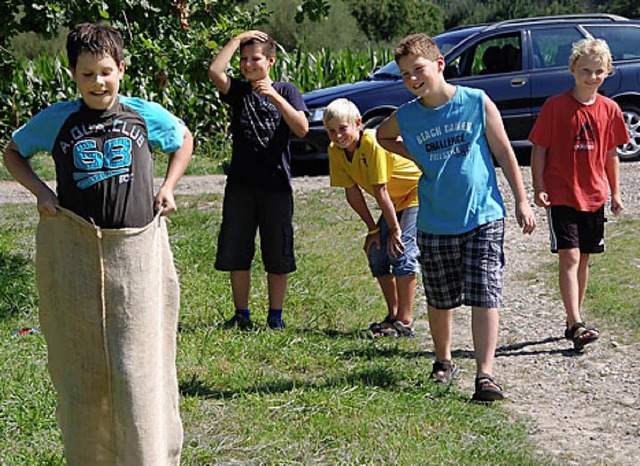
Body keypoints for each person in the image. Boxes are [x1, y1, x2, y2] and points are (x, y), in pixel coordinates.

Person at [3, 22, 192, 465]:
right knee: (84, 369)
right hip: (77, 258)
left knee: (136, 367)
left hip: (135, 256)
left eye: (105, 71)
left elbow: (183, 139)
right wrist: (43, 194)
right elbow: (13, 152)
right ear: (72, 74)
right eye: (86, 74)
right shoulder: (60, 119)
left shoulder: (142, 115)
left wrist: (168, 187)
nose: (97, 82)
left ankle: (145, 454)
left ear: (122, 69)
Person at [376, 33, 536, 402]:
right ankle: (444, 361)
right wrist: (414, 155)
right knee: (440, 299)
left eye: (418, 70)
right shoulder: (407, 116)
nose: (413, 79)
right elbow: (383, 137)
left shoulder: (475, 102)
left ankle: (485, 375)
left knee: (485, 293)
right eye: (404, 74)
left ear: (439, 65)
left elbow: (504, 151)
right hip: (435, 221)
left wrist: (521, 201)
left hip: (483, 215)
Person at [529, 38, 629, 351]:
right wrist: (539, 186)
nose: (592, 77)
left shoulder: (610, 109)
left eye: (599, 71)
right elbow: (539, 149)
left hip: (595, 195)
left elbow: (612, 153)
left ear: (608, 72)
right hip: (562, 193)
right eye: (586, 70)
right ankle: (574, 322)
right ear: (573, 69)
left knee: (584, 258)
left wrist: (616, 193)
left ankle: (575, 319)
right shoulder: (554, 106)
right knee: (569, 255)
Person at [208, 30, 308, 330]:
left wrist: (274, 96)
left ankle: (275, 316)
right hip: (240, 186)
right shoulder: (238, 92)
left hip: (276, 187)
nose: (248, 64)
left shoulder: (287, 90)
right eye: (244, 59)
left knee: (277, 251)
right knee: (238, 250)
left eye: (255, 59)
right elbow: (215, 70)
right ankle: (242, 315)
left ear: (271, 61)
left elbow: (302, 128)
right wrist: (238, 39)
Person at [323, 98, 421, 337]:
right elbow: (352, 192)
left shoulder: (372, 143)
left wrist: (395, 230)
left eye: (343, 128)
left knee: (401, 250)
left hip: (416, 192)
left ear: (358, 124)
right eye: (331, 131)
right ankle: (393, 314)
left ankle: (405, 320)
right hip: (394, 201)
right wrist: (373, 229)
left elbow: (381, 190)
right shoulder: (335, 151)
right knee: (376, 251)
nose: (338, 136)